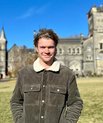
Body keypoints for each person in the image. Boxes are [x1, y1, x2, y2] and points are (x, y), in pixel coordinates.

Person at [10, 28, 83, 123]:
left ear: (55, 48)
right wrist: (20, 120)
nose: (47, 51)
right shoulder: (24, 73)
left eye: (50, 47)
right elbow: (15, 101)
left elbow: (76, 103)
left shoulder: (67, 74)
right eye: (42, 47)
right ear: (36, 48)